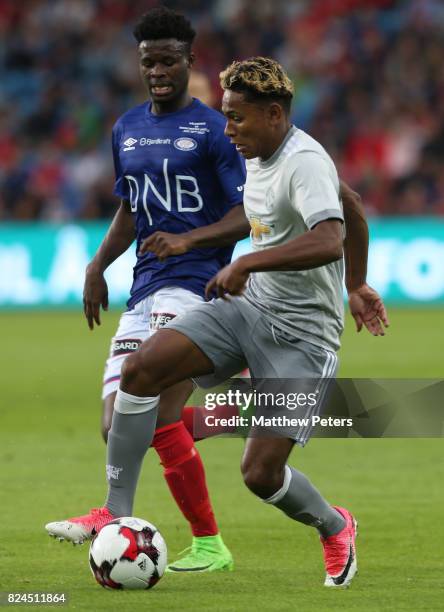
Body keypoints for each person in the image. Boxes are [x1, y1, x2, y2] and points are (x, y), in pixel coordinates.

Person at [46, 52, 388, 586]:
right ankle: (114, 511)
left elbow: (331, 234)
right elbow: (356, 205)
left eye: (237, 117)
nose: (226, 128)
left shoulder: (305, 161)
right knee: (141, 371)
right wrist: (358, 283)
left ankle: (334, 524)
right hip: (247, 309)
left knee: (260, 475)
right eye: (225, 115)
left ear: (274, 114)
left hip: (303, 337)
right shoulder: (250, 155)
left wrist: (259, 263)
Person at [46, 6, 251, 573]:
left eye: (168, 60)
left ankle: (189, 536)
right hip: (143, 290)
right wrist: (96, 266)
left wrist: (190, 242)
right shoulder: (126, 127)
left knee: (158, 410)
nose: (157, 71)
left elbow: (248, 215)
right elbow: (131, 210)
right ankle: (247, 406)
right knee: (116, 422)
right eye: (148, 61)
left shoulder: (214, 130)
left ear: (189, 61)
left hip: (196, 290)